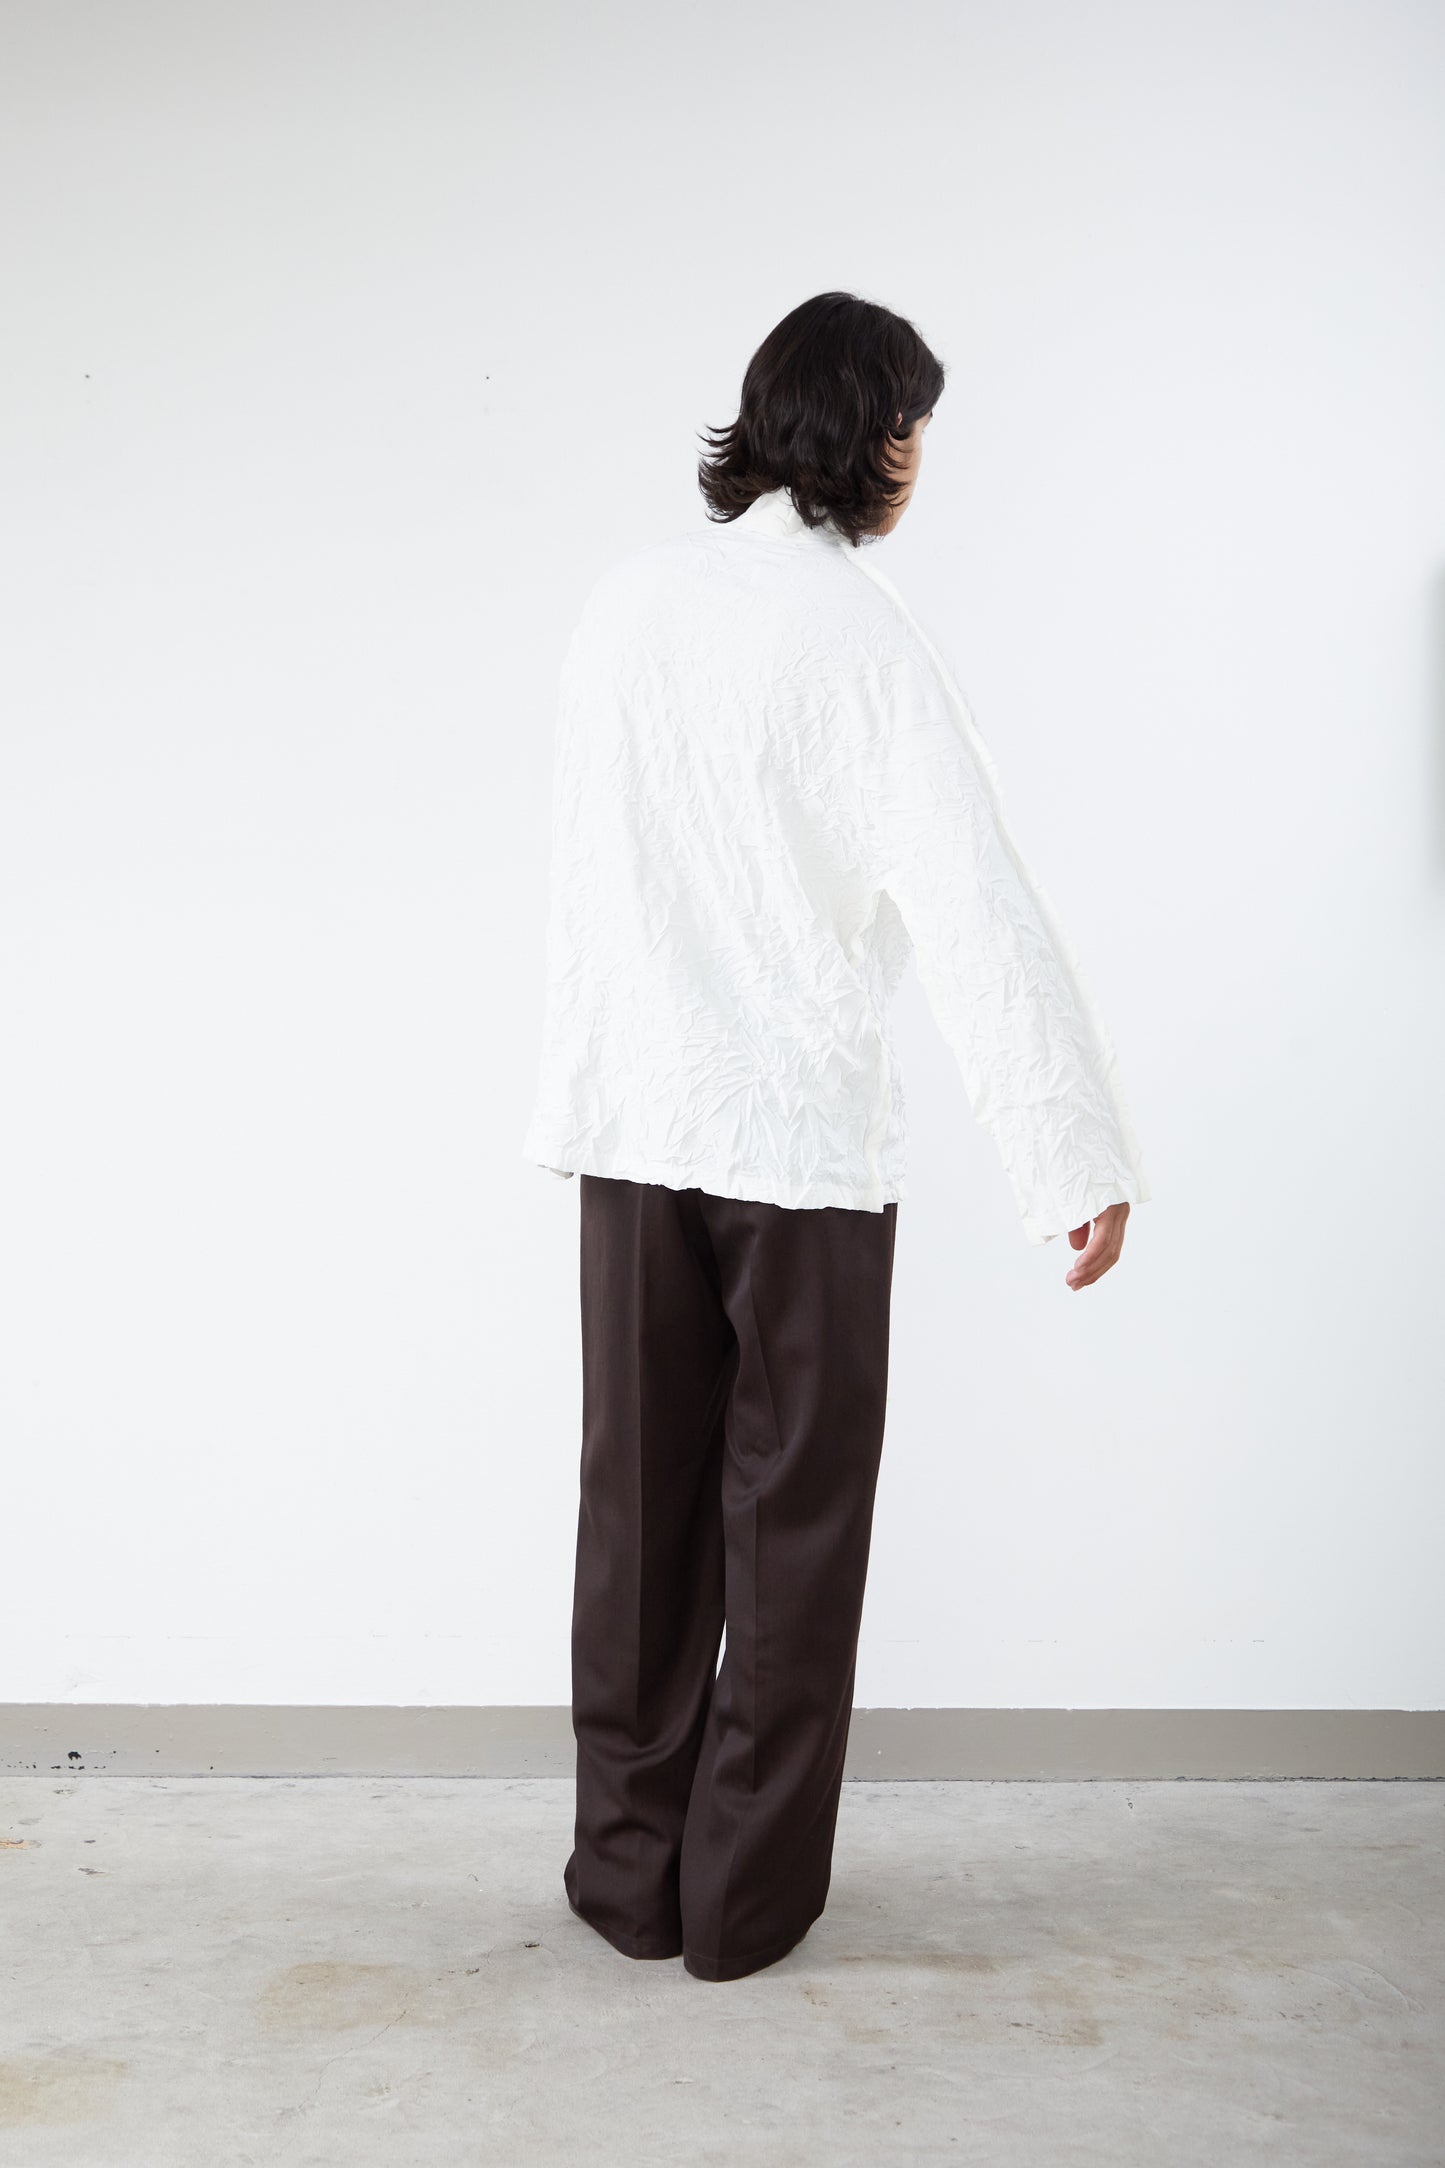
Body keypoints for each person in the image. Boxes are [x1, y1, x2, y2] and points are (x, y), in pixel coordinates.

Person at [521, 291, 1150, 1983]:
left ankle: (625, 1879)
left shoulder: (622, 604)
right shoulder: (864, 639)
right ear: (874, 435)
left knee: (634, 1518)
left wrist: (590, 1072)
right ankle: (740, 1906)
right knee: (788, 1530)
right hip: (794, 1147)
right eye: (915, 428)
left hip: (632, 1130)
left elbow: (590, 869)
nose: (918, 460)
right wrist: (1069, 1160)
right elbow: (974, 910)